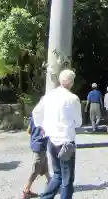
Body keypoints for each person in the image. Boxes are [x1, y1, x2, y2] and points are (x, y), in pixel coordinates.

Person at [33, 69, 82, 199]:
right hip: (66, 142)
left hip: (52, 140)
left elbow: (36, 112)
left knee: (57, 175)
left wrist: (42, 126)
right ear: (71, 82)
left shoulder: (49, 96)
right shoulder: (73, 98)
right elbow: (78, 122)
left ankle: (45, 197)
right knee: (67, 179)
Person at [22, 114, 51, 198]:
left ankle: (50, 181)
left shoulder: (35, 114)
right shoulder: (48, 117)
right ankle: (26, 190)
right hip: (40, 145)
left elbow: (29, 131)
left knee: (44, 163)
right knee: (37, 168)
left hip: (35, 143)